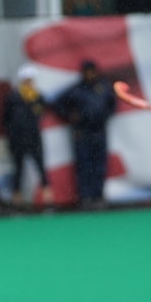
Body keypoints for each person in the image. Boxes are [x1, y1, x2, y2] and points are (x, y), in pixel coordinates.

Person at [52, 60, 116, 207]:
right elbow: (57, 103)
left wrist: (104, 115)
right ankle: (86, 198)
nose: (90, 74)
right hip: (82, 133)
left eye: (92, 71)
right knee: (84, 166)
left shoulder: (103, 87)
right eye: (87, 72)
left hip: (99, 132)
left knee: (100, 166)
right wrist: (70, 116)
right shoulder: (76, 90)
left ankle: (98, 196)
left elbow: (112, 103)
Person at [2, 65, 53, 207]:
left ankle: (48, 199)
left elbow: (41, 113)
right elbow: (5, 118)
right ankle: (17, 199)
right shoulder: (13, 97)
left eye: (32, 80)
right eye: (28, 80)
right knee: (18, 169)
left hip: (34, 137)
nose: (30, 82)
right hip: (17, 138)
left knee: (41, 167)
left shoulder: (37, 96)